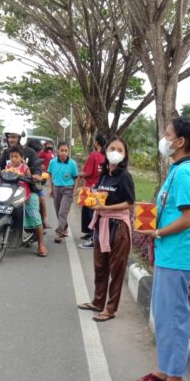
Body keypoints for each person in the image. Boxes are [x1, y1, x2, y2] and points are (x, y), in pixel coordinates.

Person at [134, 116, 190, 381]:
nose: (164, 139)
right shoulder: (178, 169)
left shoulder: (186, 173)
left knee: (173, 316)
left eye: (168, 134)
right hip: (168, 253)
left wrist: (159, 232)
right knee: (162, 314)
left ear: (180, 141)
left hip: (178, 254)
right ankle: (165, 369)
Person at [77, 137, 135, 322]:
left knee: (116, 270)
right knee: (100, 266)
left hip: (118, 227)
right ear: (106, 151)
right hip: (101, 224)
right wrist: (87, 197)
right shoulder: (104, 174)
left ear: (125, 154)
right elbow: (98, 194)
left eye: (120, 149)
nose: (115, 152)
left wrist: (106, 208)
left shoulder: (124, 176)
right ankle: (97, 301)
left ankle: (110, 309)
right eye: (112, 148)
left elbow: (130, 203)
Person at [78, 134, 107, 248]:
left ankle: (94, 236)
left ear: (96, 143)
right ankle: (91, 233)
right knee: (93, 212)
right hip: (103, 188)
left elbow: (87, 172)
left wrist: (76, 174)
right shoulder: (106, 156)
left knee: (91, 213)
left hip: (91, 188)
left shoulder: (94, 155)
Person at [47, 142, 79, 243]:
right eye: (62, 150)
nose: (64, 153)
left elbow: (76, 177)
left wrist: (75, 190)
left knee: (62, 212)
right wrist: (51, 188)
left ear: (68, 152)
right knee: (58, 211)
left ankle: (59, 232)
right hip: (56, 187)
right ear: (57, 151)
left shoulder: (72, 164)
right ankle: (64, 227)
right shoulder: (53, 162)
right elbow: (50, 174)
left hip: (68, 189)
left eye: (66, 151)